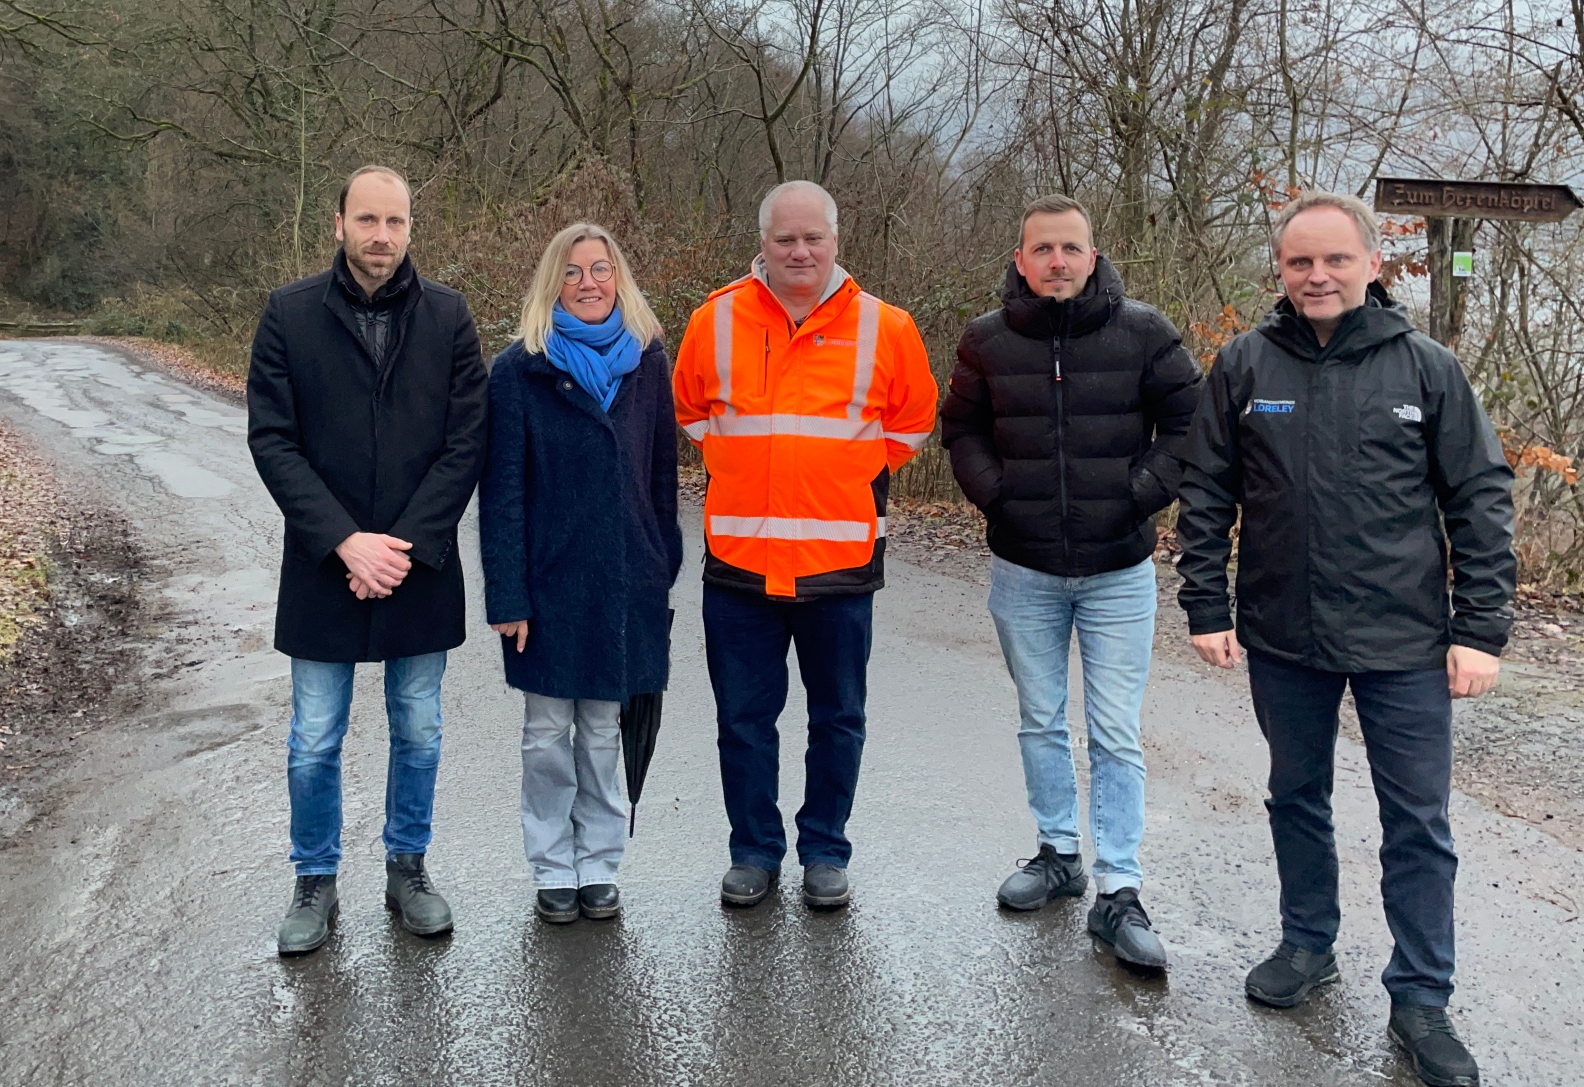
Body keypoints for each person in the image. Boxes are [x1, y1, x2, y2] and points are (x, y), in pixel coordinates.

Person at [1176, 191, 1514, 1087]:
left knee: (1418, 823)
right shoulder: (1245, 364)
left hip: (1405, 640)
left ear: (1371, 264)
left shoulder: (1427, 369)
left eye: (1334, 260)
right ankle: (1307, 944)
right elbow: (1207, 491)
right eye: (1299, 262)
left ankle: (1421, 997)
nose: (1317, 276)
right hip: (1284, 635)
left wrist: (1481, 630)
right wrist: (1204, 604)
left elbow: (1479, 496)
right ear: (1280, 271)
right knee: (1296, 797)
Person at [936, 195, 1200, 971]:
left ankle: (1119, 886)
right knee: (1040, 719)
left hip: (1119, 569)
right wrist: (997, 493)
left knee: (1115, 731)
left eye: (1070, 248)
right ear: (1020, 259)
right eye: (1042, 249)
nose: (1057, 260)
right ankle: (1058, 854)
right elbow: (962, 428)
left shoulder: (1144, 332)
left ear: (1093, 256)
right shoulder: (986, 340)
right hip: (1024, 568)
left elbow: (1191, 421)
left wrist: (1139, 492)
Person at [672, 180, 938, 911]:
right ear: (762, 242)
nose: (799, 251)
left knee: (838, 719)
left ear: (836, 241)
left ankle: (825, 849)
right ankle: (753, 851)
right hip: (740, 563)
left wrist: (849, 472)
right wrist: (743, 467)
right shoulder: (713, 320)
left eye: (812, 238)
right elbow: (690, 412)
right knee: (744, 721)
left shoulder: (888, 327)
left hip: (839, 564)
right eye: (785, 238)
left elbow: (912, 423)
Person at [247, 165, 489, 956]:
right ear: (339, 223)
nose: (381, 236)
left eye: (396, 222)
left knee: (417, 728)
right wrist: (345, 540)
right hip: (326, 565)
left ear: (412, 228)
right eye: (367, 220)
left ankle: (407, 868)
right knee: (315, 735)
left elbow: (465, 443)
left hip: (419, 565)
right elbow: (272, 441)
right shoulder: (287, 315)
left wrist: (404, 547)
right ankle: (314, 880)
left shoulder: (450, 317)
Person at [479, 224, 683, 924]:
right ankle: (551, 867)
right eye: (573, 273)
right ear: (551, 285)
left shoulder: (648, 364)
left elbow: (663, 478)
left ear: (618, 278)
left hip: (627, 582)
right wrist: (507, 593)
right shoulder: (518, 371)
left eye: (601, 269)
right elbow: (501, 494)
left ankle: (599, 864)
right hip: (546, 585)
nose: (589, 283)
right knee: (544, 735)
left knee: (601, 732)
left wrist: (662, 567)